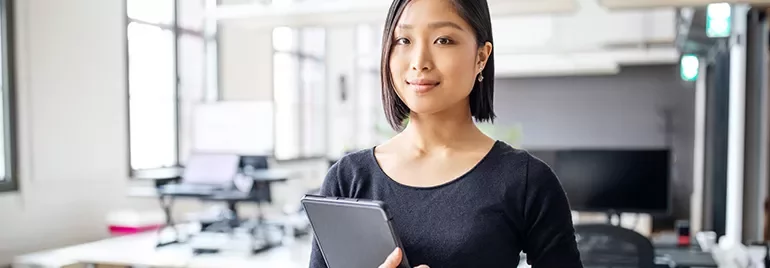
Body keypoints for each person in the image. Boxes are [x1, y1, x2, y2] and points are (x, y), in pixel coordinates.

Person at [309, 0, 583, 267]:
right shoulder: (348, 179)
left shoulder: (527, 181)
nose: (419, 62)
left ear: (481, 57)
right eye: (403, 41)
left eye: (443, 40)